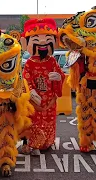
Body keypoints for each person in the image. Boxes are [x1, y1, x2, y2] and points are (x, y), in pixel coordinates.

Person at [20, 18, 65, 155]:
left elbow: (61, 74)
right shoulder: (29, 62)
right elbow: (26, 78)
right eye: (36, 39)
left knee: (49, 123)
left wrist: (58, 77)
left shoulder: (52, 61)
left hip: (50, 100)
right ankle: (34, 145)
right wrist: (32, 91)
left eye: (47, 38)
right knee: (35, 123)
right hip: (36, 100)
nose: (42, 42)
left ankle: (47, 142)